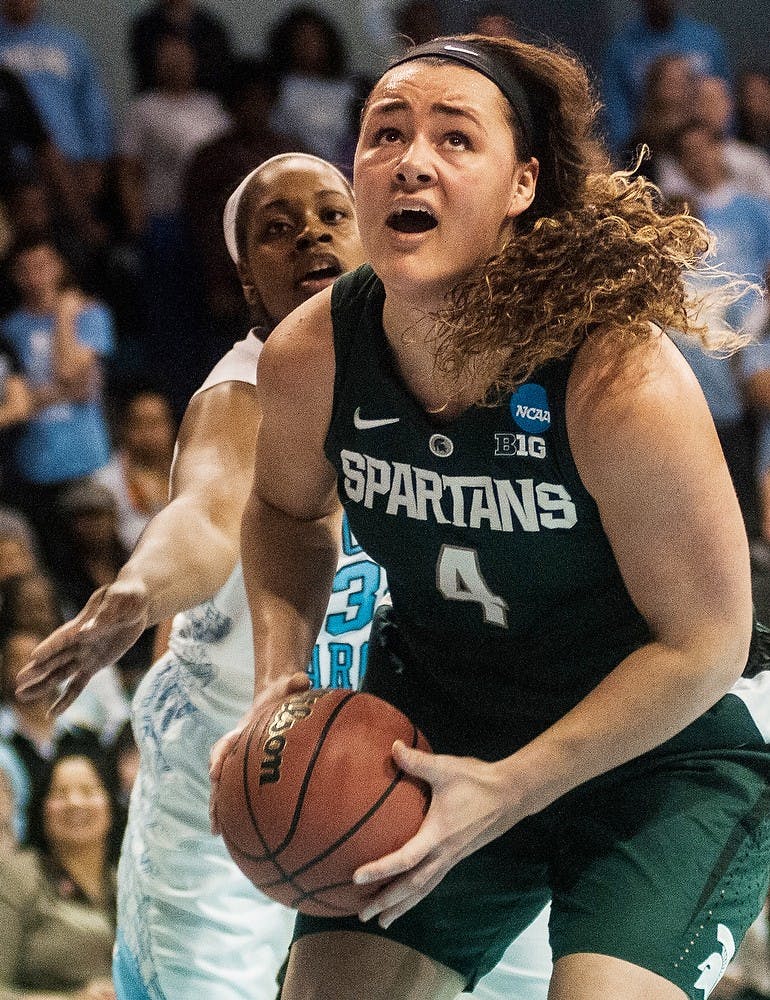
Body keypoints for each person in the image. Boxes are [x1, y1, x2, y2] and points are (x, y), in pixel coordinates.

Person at [205, 33, 770, 1000]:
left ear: (522, 185)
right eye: (385, 133)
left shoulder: (616, 379)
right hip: (442, 733)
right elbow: (283, 512)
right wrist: (278, 680)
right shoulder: (314, 353)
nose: (411, 159)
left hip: (661, 755)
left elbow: (706, 644)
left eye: (455, 138)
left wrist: (512, 789)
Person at [18, 152, 553, 1000]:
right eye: (276, 228)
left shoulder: (457, 373)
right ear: (247, 282)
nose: (309, 231)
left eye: (332, 214)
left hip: (401, 770)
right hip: (239, 775)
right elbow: (206, 513)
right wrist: (137, 587)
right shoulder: (243, 390)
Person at [0, 752, 117, 999]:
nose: (75, 802)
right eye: (60, 793)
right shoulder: (19, 876)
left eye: (88, 791)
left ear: (110, 804)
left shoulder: (126, 885)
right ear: (42, 808)